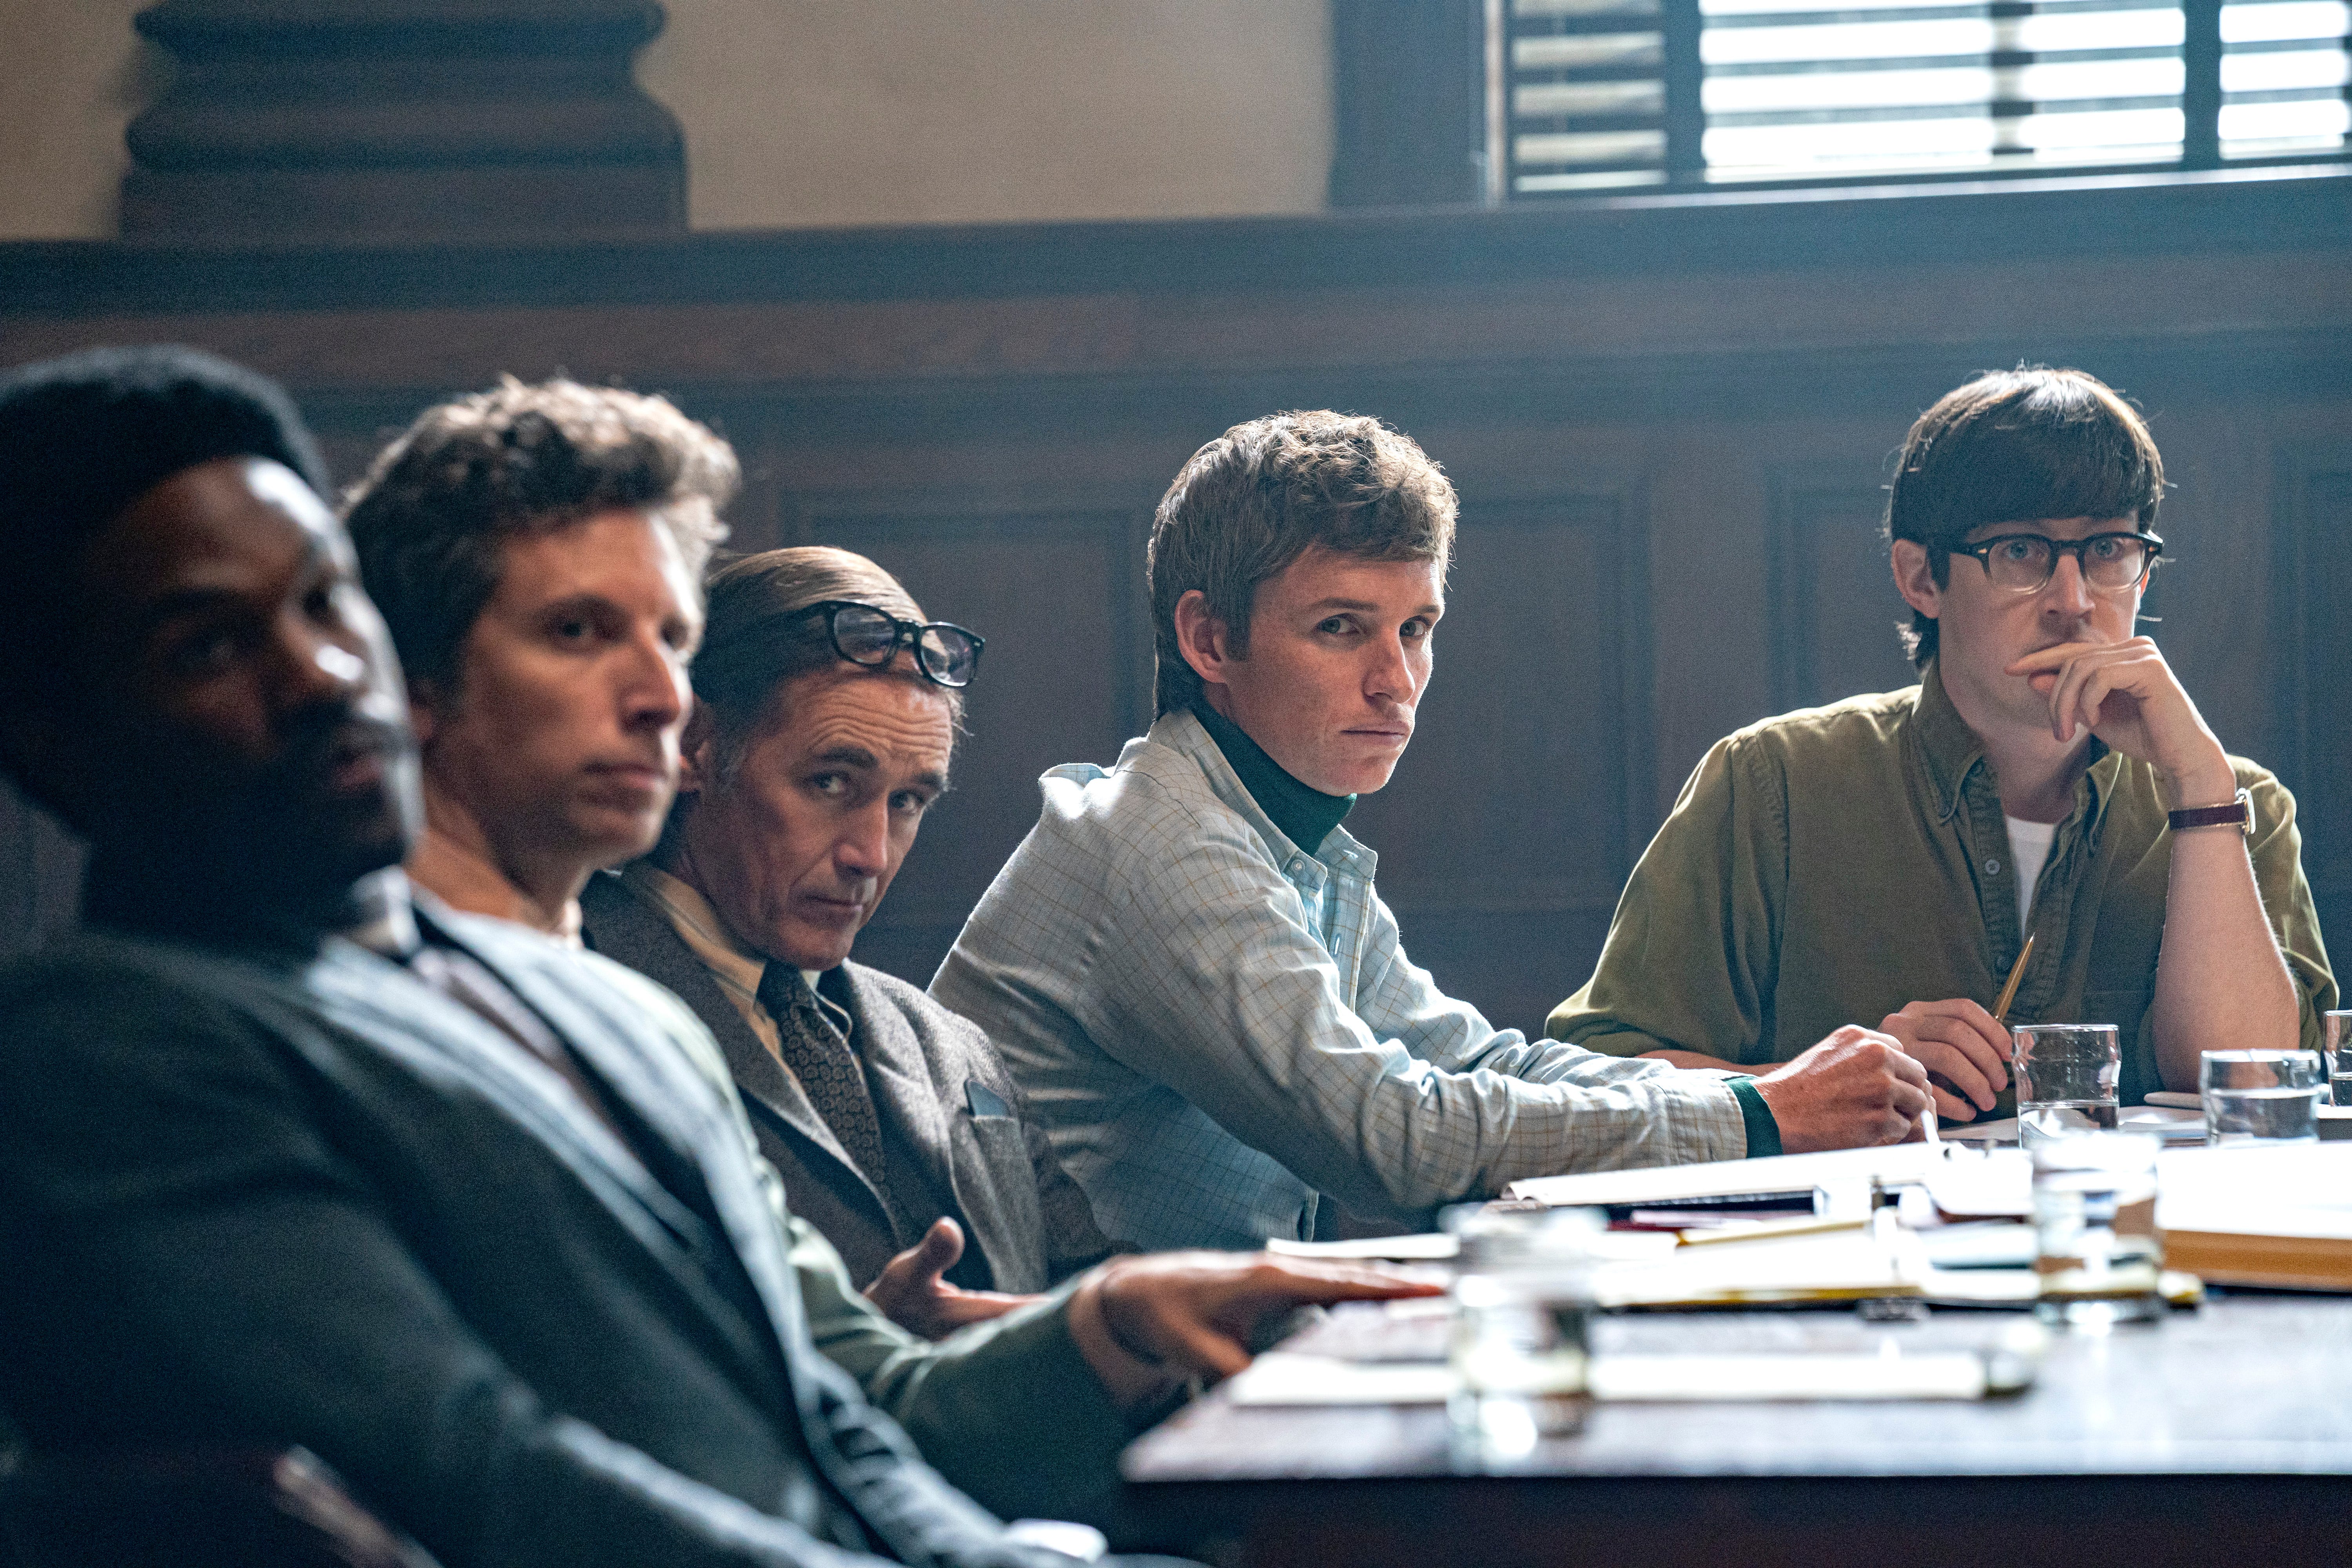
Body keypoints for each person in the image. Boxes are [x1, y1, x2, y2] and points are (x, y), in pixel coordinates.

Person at [0, 346, 1429, 1566]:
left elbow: (842, 1430)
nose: (317, 674)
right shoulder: (107, 1040)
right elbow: (487, 1474)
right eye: (206, 647)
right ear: (48, 736)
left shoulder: (583, 1000)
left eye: (324, 606)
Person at [932, 410, 1934, 1254]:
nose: (1396, 679)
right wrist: (1760, 1117)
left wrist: (1778, 1090)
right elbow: (1393, 1139)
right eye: (1340, 627)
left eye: (1416, 628)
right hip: (1078, 1422)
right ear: (1209, 639)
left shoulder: (1286, 839)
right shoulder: (1162, 845)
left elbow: (1482, 1062)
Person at [1546, 367, 2335, 1112]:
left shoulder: (2234, 801)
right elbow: (1600, 1080)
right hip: (1851, 1253)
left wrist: (2200, 790)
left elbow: (2255, 1092)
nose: (2073, 601)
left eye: (2107, 552)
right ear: (1922, 578)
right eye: (2022, 551)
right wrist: (1817, 1080)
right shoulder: (1772, 782)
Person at [582, 546, 1113, 1321]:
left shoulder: (953, 1044)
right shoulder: (571, 1015)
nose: (871, 853)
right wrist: (870, 1364)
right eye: (830, 783)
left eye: (908, 801)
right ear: (694, 747)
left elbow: (1107, 1306)